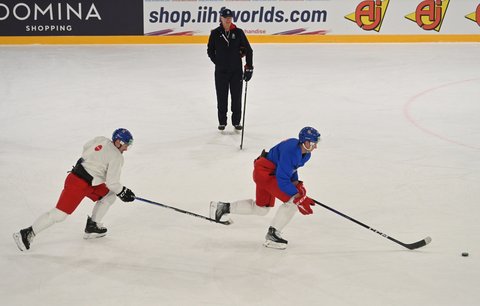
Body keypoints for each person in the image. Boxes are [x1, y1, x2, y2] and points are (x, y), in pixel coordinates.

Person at [13, 128, 136, 251]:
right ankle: (26, 234)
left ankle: (92, 226)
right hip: (78, 185)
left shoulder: (101, 140)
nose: (126, 149)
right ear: (118, 142)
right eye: (125, 145)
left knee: (109, 195)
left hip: (85, 180)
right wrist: (123, 191)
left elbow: (86, 147)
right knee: (59, 215)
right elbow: (112, 183)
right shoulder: (117, 157)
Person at [210, 127, 320, 249]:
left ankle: (221, 208)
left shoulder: (305, 153)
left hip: (266, 171)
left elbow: (291, 169)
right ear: (305, 142)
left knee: (261, 209)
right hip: (265, 173)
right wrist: (298, 196)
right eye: (313, 143)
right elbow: (282, 180)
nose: (315, 147)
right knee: (293, 202)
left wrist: (297, 185)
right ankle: (273, 235)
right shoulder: (291, 151)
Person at [207, 8, 253, 131]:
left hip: (236, 71)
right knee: (221, 97)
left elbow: (248, 50)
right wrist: (218, 62)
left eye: (230, 18)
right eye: (225, 18)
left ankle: (236, 122)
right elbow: (210, 51)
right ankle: (222, 122)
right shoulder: (215, 33)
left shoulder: (238, 32)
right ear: (221, 18)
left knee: (236, 97)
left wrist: (249, 68)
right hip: (221, 72)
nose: (228, 20)